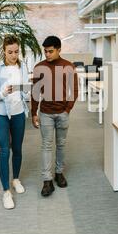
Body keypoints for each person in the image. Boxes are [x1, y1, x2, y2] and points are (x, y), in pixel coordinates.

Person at [31, 35, 79, 197]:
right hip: (45, 113)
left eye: (51, 51)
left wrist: (68, 109)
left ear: (59, 49)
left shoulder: (69, 66)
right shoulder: (39, 67)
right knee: (46, 145)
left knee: (61, 144)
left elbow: (75, 91)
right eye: (45, 52)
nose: (47, 55)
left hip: (63, 113)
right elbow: (35, 92)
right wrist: (33, 112)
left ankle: (59, 173)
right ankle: (47, 180)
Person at [0, 35, 30, 209]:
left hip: (19, 112)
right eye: (10, 52)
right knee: (4, 151)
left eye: (16, 52)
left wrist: (28, 93)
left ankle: (15, 179)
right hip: (1, 114)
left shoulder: (23, 67)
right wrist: (3, 93)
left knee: (18, 149)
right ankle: (6, 192)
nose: (14, 55)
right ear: (4, 51)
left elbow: (26, 89)